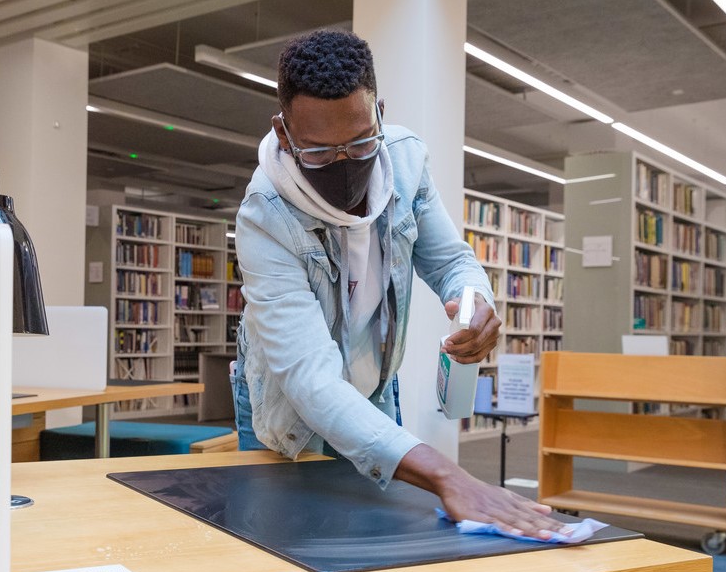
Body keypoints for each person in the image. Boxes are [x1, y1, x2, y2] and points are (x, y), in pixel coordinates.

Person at [233, 29, 562, 539]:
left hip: (373, 385)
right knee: (283, 542)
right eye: (318, 153)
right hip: (287, 404)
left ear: (379, 113)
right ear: (284, 132)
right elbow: (311, 382)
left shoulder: (407, 163)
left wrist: (474, 302)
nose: (345, 165)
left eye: (361, 142)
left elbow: (452, 260)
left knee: (374, 541)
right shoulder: (263, 218)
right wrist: (447, 472)